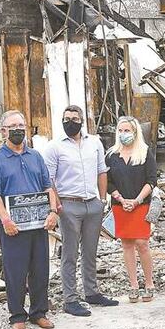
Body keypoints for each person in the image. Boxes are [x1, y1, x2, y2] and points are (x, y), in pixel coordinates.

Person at [0, 110, 59, 329]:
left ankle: (39, 312)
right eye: (13, 126)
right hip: (12, 226)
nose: (18, 129)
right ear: (4, 131)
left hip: (38, 224)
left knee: (40, 268)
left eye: (21, 125)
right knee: (15, 270)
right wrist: (5, 219)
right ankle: (17, 316)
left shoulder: (35, 156)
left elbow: (48, 186)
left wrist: (53, 211)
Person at [43, 105, 119, 316]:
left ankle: (92, 292)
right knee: (69, 253)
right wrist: (57, 206)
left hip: (92, 203)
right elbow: (48, 180)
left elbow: (102, 171)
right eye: (66, 118)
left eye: (74, 118)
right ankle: (70, 299)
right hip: (68, 205)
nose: (70, 122)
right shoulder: (54, 147)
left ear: (82, 121)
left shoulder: (94, 142)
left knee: (90, 251)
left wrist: (102, 200)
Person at [106, 116, 158, 302]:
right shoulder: (111, 155)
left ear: (135, 132)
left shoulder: (144, 153)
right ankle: (134, 285)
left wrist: (136, 200)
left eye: (127, 131)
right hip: (120, 205)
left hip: (140, 204)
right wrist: (119, 198)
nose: (123, 134)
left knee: (142, 243)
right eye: (120, 131)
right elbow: (107, 182)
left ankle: (149, 283)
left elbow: (151, 180)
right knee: (127, 244)